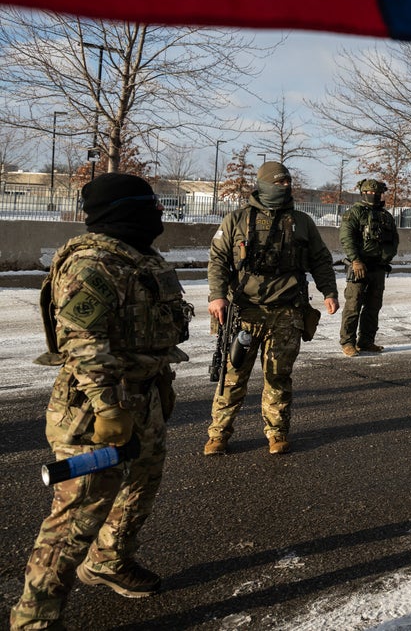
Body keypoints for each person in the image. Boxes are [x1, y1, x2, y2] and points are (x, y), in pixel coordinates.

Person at [11, 174, 193, 629]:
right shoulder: (92, 263)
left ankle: (109, 562)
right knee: (75, 518)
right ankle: (35, 620)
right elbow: (83, 342)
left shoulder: (140, 258)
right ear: (124, 210)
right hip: (95, 409)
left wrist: (159, 380)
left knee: (140, 487)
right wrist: (110, 408)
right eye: (149, 205)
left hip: (144, 394)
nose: (158, 213)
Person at [203, 162, 339, 456]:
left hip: (287, 312)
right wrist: (217, 296)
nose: (285, 187)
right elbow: (217, 260)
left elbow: (320, 260)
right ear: (264, 185)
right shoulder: (236, 219)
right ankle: (219, 435)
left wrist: (329, 291)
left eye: (288, 182)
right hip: (242, 312)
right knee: (232, 377)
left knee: (278, 377)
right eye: (279, 183)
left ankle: (277, 434)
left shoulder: (302, 222)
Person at [338, 178, 399, 356]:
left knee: (373, 306)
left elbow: (394, 239)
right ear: (363, 193)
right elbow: (347, 238)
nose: (373, 196)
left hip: (378, 267)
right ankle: (348, 342)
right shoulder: (354, 213)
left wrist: (386, 258)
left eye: (376, 193)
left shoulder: (385, 216)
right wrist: (356, 260)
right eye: (369, 193)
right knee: (353, 304)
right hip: (359, 266)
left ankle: (366, 341)